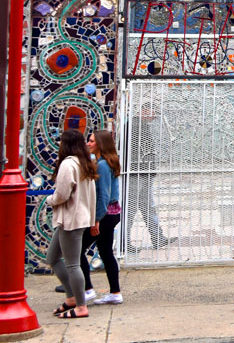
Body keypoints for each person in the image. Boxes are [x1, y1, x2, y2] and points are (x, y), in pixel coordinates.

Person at [47, 129, 97, 319]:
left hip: (71, 219)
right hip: (76, 218)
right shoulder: (84, 163)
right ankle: (72, 297)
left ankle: (81, 304)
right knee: (52, 257)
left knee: (73, 265)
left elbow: (62, 195)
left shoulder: (68, 165)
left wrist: (50, 200)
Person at [81, 130, 122, 305]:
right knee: (105, 252)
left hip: (104, 215)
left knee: (77, 250)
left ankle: (87, 289)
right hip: (110, 213)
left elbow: (104, 195)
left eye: (91, 141)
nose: (88, 143)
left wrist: (96, 220)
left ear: (100, 144)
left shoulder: (104, 165)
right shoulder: (102, 162)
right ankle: (115, 292)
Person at [127, 105, 174, 251]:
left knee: (148, 206)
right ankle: (124, 242)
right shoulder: (134, 125)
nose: (154, 117)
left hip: (143, 172)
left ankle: (158, 238)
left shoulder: (141, 125)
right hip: (136, 173)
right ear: (144, 111)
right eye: (154, 113)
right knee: (131, 208)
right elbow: (137, 151)